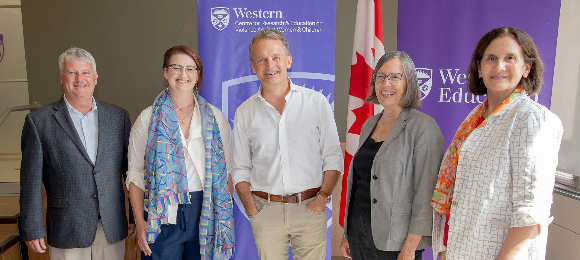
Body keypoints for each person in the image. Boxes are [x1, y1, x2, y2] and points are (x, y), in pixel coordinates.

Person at [431, 27, 563, 260]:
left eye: (510, 58)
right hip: (459, 251)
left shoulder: (531, 118)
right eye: (491, 58)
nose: (499, 66)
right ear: (479, 68)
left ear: (527, 67)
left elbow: (531, 212)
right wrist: (444, 250)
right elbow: (458, 195)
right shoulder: (475, 118)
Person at [232, 28, 343, 259]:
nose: (269, 65)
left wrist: (322, 198)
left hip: (311, 207)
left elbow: (333, 156)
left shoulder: (316, 103)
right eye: (261, 59)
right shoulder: (244, 112)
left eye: (276, 57)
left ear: (288, 61)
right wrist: (253, 210)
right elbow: (240, 169)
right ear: (253, 66)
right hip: (265, 211)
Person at [19, 47, 135, 260]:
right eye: (72, 72)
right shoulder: (39, 122)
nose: (79, 78)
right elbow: (30, 181)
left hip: (110, 225)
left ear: (96, 77)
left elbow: (130, 173)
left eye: (86, 72)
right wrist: (32, 226)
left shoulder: (118, 117)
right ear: (61, 78)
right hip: (67, 227)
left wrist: (135, 216)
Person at [127, 45, 234, 260]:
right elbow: (136, 175)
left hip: (205, 211)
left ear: (197, 75)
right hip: (162, 215)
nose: (183, 75)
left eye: (190, 69)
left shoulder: (215, 118)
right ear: (165, 72)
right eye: (176, 68)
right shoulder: (147, 119)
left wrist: (220, 217)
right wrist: (140, 223)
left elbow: (227, 174)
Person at [339, 51, 445, 260]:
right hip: (357, 229)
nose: (386, 83)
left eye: (395, 77)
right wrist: (347, 234)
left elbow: (426, 195)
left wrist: (410, 247)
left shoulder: (424, 127)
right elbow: (360, 182)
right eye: (380, 76)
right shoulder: (369, 124)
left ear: (410, 83)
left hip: (397, 238)